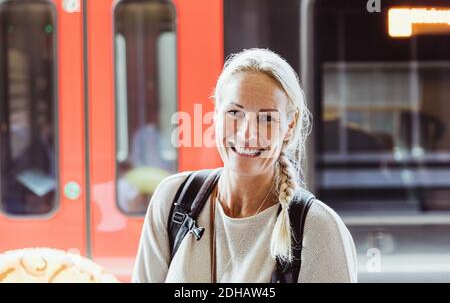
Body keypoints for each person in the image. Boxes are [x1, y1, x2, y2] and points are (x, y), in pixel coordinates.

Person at [132, 48, 358, 283]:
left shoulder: (318, 230)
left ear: (289, 126)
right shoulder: (173, 201)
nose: (247, 134)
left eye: (267, 118)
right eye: (234, 113)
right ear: (216, 115)